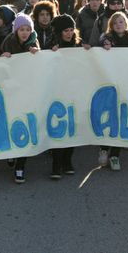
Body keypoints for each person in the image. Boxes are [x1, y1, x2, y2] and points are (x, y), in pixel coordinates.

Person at [97, 11, 128, 171]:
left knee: (122, 117)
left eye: (121, 22)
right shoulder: (107, 39)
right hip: (110, 84)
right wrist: (104, 46)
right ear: (111, 25)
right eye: (115, 22)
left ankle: (115, 155)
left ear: (126, 24)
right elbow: (100, 45)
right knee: (108, 116)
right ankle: (104, 149)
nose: (118, 25)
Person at [0, 13, 39, 183]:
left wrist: (37, 54)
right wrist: (2, 58)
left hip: (28, 91)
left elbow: (40, 66)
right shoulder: (8, 42)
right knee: (11, 123)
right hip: (10, 91)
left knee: (26, 125)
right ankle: (11, 152)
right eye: (22, 29)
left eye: (28, 29)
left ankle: (20, 166)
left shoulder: (34, 43)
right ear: (16, 30)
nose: (25, 33)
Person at [49, 14, 79, 179]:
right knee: (58, 128)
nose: (69, 33)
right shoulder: (51, 46)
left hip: (73, 92)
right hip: (56, 93)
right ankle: (56, 163)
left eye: (71, 30)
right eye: (65, 31)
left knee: (72, 128)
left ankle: (67, 160)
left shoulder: (79, 46)